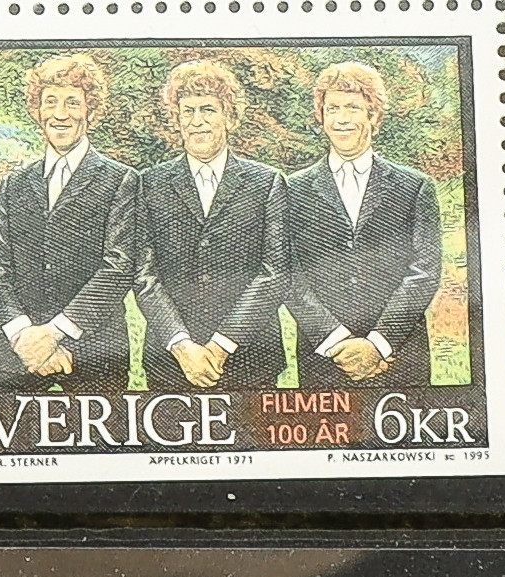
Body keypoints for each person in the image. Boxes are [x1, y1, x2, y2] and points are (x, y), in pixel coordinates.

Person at [0, 55, 137, 391]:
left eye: (72, 102)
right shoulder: (14, 184)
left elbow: (119, 266)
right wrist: (22, 334)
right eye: (50, 102)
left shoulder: (122, 180)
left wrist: (54, 333)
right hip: (13, 352)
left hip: (95, 353)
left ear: (90, 111)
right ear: (37, 110)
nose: (60, 114)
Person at [280, 62, 442, 388]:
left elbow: (425, 270)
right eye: (332, 108)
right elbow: (287, 273)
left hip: (399, 359)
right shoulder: (291, 190)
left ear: (374, 116)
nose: (341, 119)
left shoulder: (415, 187)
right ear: (321, 116)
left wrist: (378, 344)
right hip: (324, 362)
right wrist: (336, 341)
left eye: (353, 108)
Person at [133, 61, 285, 392]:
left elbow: (274, 273)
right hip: (171, 364)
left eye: (208, 110)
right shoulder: (149, 184)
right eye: (187, 111)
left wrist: (220, 346)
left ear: (230, 117)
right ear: (176, 119)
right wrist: (181, 346)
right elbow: (144, 275)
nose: (197, 121)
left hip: (250, 362)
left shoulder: (267, 183)